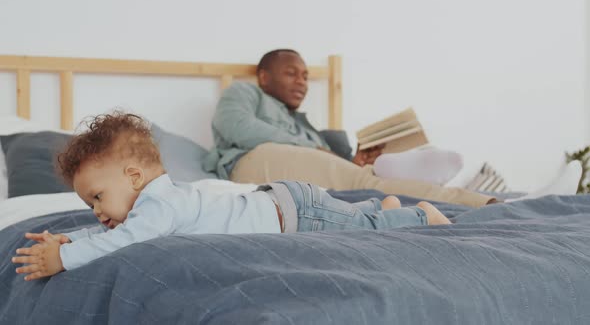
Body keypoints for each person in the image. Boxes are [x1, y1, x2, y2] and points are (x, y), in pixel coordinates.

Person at [12, 112, 450, 281]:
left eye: (98, 197)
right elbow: (120, 233)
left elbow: (128, 241)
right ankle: (382, 204)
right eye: (90, 206)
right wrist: (79, 239)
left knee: (359, 232)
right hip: (289, 203)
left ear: (133, 175)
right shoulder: (155, 204)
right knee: (351, 218)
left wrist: (64, 258)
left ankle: (419, 214)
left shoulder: (159, 208)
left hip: (295, 215)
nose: (97, 212)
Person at [204, 49, 496, 207]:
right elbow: (237, 127)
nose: (302, 82)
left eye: (306, 76)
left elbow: (320, 163)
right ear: (264, 77)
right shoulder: (244, 93)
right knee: (364, 184)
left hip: (293, 163)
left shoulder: (306, 127)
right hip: (252, 160)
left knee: (360, 181)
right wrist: (314, 148)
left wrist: (350, 161)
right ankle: (477, 201)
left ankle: (381, 167)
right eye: (291, 74)